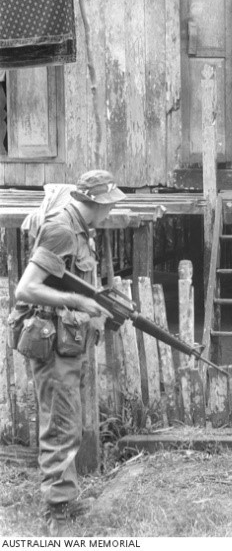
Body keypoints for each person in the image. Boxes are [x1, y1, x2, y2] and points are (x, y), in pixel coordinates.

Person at [13, 170, 126, 536]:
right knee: (60, 424)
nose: (109, 212)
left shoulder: (81, 228)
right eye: (108, 205)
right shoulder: (63, 228)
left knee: (68, 421)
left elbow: (74, 279)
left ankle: (65, 496)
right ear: (95, 202)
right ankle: (56, 510)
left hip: (67, 338)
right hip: (51, 340)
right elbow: (26, 289)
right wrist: (76, 300)